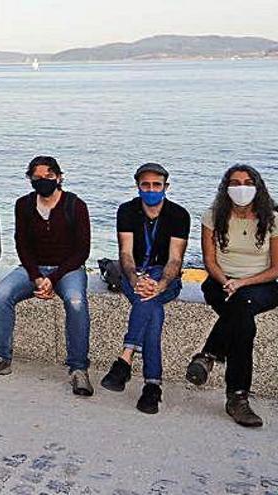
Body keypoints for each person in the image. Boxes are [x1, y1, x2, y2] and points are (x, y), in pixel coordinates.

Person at [0, 156, 94, 397]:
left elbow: (82, 250)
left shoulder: (76, 205)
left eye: (48, 177)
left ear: (59, 177)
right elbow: (21, 244)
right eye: (37, 177)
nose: (43, 181)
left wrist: (53, 278)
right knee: (3, 293)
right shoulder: (23, 204)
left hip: (68, 269)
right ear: (30, 179)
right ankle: (1, 356)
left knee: (76, 301)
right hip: (34, 267)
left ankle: (78, 368)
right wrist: (36, 275)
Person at [184, 165, 278, 427]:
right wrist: (227, 282)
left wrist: (243, 282)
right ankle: (238, 398)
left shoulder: (273, 218)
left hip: (261, 284)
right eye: (235, 183)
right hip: (219, 282)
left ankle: (209, 354)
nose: (241, 188)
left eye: (247, 182)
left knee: (242, 307)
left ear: (258, 187)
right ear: (226, 188)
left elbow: (276, 269)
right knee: (243, 323)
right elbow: (209, 261)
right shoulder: (213, 216)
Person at [100, 163, 189, 414]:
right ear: (138, 186)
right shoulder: (127, 211)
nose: (151, 190)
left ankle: (125, 358)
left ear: (166, 187)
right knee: (152, 310)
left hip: (166, 279)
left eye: (156, 185)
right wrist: (136, 279)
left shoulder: (179, 215)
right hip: (134, 276)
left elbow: (175, 260)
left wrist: (159, 285)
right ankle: (152, 386)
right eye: (146, 185)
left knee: (149, 300)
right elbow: (126, 254)